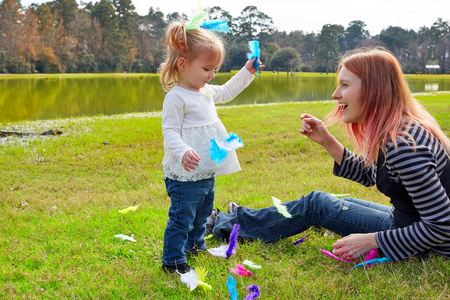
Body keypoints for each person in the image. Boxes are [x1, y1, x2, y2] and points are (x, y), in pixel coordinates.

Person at [207, 47, 450, 262]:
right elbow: (372, 175)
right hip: (409, 220)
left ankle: (226, 224)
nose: (335, 94)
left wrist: (371, 241)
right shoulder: (399, 129)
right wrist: (327, 141)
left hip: (432, 244)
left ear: (374, 90)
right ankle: (240, 218)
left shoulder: (404, 146)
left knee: (317, 204)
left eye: (345, 85)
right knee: (332, 202)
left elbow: (441, 226)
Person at [158, 19, 263, 274]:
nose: (212, 75)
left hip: (205, 169)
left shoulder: (204, 91)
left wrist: (247, 71)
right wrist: (182, 151)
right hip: (184, 173)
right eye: (207, 69)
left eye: (215, 69)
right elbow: (170, 131)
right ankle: (172, 260)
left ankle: (195, 245)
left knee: (203, 212)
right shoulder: (177, 97)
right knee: (182, 216)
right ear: (182, 65)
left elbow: (227, 91)